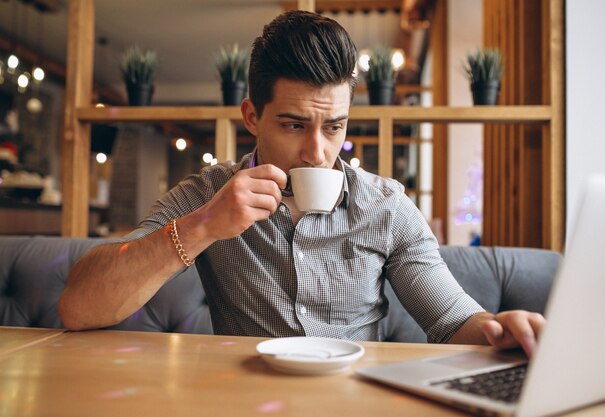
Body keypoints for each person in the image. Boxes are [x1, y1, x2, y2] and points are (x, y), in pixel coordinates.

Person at [59, 10, 544, 357]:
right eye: (293, 125)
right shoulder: (209, 196)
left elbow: (452, 319)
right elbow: (79, 308)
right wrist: (202, 226)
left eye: (334, 127)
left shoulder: (387, 207)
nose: (318, 152)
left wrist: (502, 330)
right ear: (252, 115)